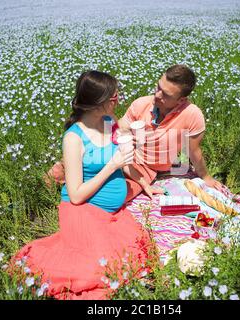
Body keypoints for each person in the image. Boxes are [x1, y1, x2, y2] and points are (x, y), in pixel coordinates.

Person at [9, 71, 154, 300]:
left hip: (113, 213)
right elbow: (76, 195)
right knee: (98, 269)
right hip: (84, 210)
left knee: (131, 253)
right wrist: (111, 165)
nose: (119, 100)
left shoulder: (109, 122)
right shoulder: (74, 138)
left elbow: (123, 162)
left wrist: (144, 182)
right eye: (115, 97)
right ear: (99, 103)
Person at [118, 64, 225, 201]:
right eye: (158, 87)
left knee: (118, 196)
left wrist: (206, 177)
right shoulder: (141, 104)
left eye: (165, 95)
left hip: (147, 169)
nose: (157, 95)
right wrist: (124, 136)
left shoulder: (192, 115)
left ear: (181, 100)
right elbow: (119, 128)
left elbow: (194, 151)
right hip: (127, 158)